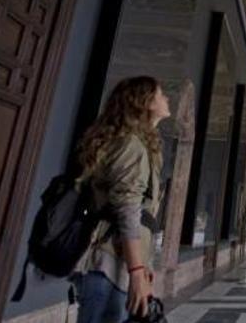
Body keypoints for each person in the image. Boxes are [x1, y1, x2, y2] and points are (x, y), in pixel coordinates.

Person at [71, 76, 170, 322]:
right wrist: (137, 271)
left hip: (119, 265)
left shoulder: (139, 146)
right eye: (161, 94)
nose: (166, 98)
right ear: (145, 102)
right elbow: (127, 210)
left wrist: (142, 267)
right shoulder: (130, 146)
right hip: (110, 267)